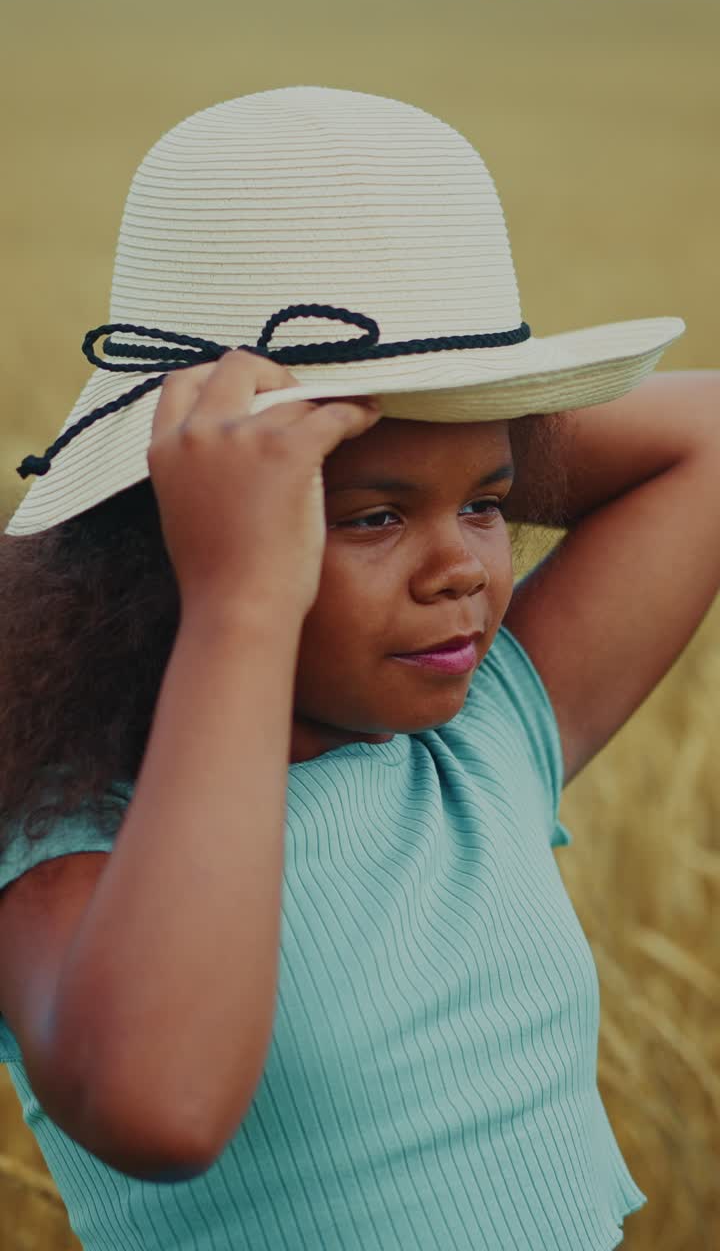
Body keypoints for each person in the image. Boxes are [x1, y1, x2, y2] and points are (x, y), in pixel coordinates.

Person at [0, 86, 716, 1251]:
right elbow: (160, 1104)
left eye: (491, 505)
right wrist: (240, 599)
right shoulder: (76, 831)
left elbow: (709, 435)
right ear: (175, 540)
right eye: (373, 519)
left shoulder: (477, 742)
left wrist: (449, 433)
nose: (465, 571)